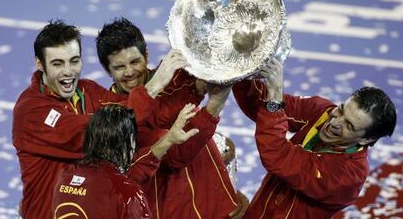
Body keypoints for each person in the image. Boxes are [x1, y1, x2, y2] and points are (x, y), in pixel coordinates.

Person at [12, 20, 186, 219]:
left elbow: (139, 114)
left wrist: (191, 89)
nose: (68, 71)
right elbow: (104, 128)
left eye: (74, 61)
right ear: (39, 64)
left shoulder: (88, 91)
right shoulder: (32, 111)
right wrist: (155, 85)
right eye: (57, 63)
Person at [96, 17, 249, 218]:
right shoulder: (109, 112)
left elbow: (209, 72)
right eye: (119, 67)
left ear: (146, 55)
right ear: (107, 70)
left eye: (135, 61)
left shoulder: (177, 76)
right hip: (166, 206)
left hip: (211, 198)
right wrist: (213, 106)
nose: (130, 72)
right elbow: (176, 156)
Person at [232, 57, 396, 218]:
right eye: (341, 109)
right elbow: (259, 103)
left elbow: (277, 155)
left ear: (366, 140)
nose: (334, 123)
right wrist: (242, 68)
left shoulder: (346, 176)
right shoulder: (321, 112)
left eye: (349, 125)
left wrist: (275, 99)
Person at [52, 103, 199, 219]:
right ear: (129, 141)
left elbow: (108, 183)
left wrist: (169, 140)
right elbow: (117, 185)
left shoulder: (64, 176)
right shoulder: (127, 192)